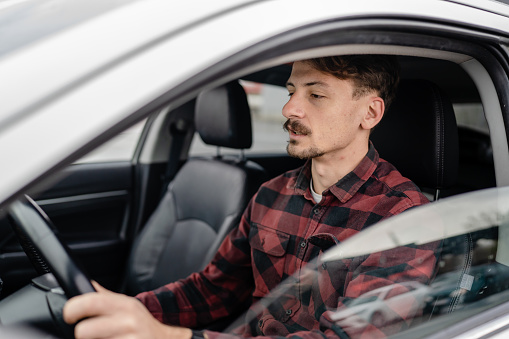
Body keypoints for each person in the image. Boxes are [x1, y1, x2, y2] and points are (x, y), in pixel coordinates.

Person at [63, 55, 437, 339]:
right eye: (292, 92)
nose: (289, 108)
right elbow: (214, 289)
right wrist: (125, 309)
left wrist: (171, 336)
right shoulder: (271, 194)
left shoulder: (402, 216)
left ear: (369, 112)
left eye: (316, 94)